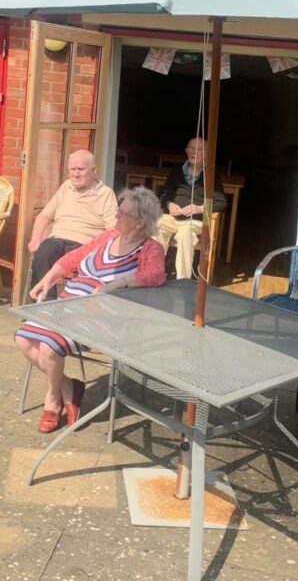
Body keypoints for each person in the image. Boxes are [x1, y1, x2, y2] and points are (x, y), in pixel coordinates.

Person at [16, 187, 166, 433]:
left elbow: (156, 274)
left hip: (102, 316)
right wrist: (48, 279)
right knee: (23, 339)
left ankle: (52, 398)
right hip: (68, 303)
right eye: (118, 210)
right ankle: (68, 387)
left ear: (140, 222)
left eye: (123, 213)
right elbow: (74, 257)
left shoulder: (150, 248)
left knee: (48, 347)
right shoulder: (109, 236)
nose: (116, 216)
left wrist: (120, 282)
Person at [27, 149, 118, 299]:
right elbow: (44, 215)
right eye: (72, 169)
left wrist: (102, 249)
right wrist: (35, 239)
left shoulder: (105, 193)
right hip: (58, 239)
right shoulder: (66, 187)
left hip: (85, 244)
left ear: (93, 170)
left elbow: (113, 229)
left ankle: (66, 302)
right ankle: (45, 302)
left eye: (80, 169)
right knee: (44, 251)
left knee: (80, 261)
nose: (76, 174)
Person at [154, 137, 226, 279]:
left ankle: (183, 280)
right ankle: (154, 272)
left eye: (199, 149)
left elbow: (221, 203)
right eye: (192, 148)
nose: (194, 152)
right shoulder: (177, 170)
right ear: (186, 151)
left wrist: (200, 208)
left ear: (206, 154)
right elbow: (163, 195)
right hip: (172, 217)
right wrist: (169, 204)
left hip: (195, 221)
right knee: (156, 227)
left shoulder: (211, 174)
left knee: (185, 233)